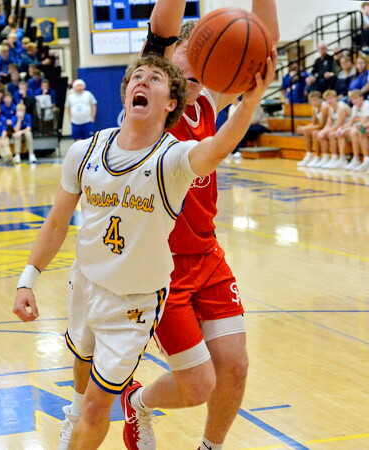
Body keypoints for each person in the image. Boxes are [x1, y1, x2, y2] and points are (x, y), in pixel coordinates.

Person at [14, 51, 276, 450]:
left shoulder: (173, 160)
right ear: (125, 94)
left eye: (155, 79)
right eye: (137, 76)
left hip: (134, 303)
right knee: (82, 366)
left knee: (97, 409)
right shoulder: (83, 151)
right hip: (84, 282)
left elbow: (217, 147)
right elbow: (55, 224)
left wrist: (250, 102)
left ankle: (102, 414)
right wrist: (27, 279)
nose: (142, 81)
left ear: (171, 102)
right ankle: (74, 413)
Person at [119, 2, 279, 450]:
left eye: (199, 67)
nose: (190, 74)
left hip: (207, 255)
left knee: (236, 366)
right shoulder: (150, 111)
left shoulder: (207, 103)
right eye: (182, 63)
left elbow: (265, 45)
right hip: (159, 268)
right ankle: (137, 402)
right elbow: (161, 28)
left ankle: (211, 447)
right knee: (197, 385)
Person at [315, 89, 351, 169]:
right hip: (340, 128)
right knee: (320, 134)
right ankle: (327, 158)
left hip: (347, 127)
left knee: (331, 134)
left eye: (331, 98)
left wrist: (325, 132)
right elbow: (329, 124)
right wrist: (323, 131)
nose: (329, 101)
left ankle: (340, 158)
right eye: (327, 99)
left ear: (336, 98)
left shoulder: (342, 107)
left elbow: (339, 125)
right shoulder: (330, 108)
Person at [296, 90, 330, 167]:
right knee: (307, 132)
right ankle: (309, 155)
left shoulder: (324, 107)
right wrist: (304, 128)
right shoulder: (314, 108)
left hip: (328, 127)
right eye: (311, 101)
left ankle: (318, 156)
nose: (313, 102)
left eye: (315, 100)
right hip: (323, 127)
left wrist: (307, 128)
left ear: (321, 99)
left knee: (314, 133)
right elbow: (314, 123)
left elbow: (322, 125)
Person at [338, 89, 369, 170]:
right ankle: (346, 158)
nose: (354, 101)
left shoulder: (366, 105)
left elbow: (363, 123)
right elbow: (352, 123)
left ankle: (365, 160)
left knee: (357, 132)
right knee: (342, 133)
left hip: (366, 126)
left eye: (356, 98)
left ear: (361, 97)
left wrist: (354, 127)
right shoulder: (355, 107)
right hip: (363, 127)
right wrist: (341, 128)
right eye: (352, 100)